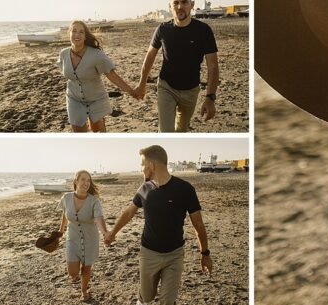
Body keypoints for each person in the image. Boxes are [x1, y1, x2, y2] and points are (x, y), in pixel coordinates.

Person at [104, 145, 213, 305]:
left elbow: (199, 225)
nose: (141, 169)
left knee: (167, 301)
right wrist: (112, 233)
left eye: (142, 164)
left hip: (174, 255)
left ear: (151, 165)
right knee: (147, 297)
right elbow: (129, 213)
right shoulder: (145, 189)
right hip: (148, 254)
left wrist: (205, 254)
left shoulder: (185, 189)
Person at [136, 0, 219, 132]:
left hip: (191, 90)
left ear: (192, 4)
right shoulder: (163, 29)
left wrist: (210, 97)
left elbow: (213, 66)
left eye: (184, 2)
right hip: (166, 87)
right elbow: (150, 56)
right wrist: (142, 84)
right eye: (175, 3)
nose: (180, 7)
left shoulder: (203, 31)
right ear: (170, 6)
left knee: (182, 130)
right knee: (166, 132)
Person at [57, 20, 139, 132]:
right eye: (74, 31)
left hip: (96, 99)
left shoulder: (96, 55)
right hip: (74, 99)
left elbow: (112, 75)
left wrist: (131, 91)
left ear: (85, 36)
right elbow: (66, 72)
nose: (77, 35)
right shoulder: (63, 54)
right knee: (78, 132)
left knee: (98, 131)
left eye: (81, 32)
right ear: (69, 33)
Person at [58, 170, 109, 301]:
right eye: (83, 179)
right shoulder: (66, 198)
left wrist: (105, 233)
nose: (86, 183)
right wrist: (60, 231)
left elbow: (99, 218)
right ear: (76, 181)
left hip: (90, 240)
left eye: (88, 180)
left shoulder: (94, 201)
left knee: (86, 269)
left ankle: (84, 291)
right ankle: (76, 275)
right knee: (73, 272)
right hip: (72, 239)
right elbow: (65, 214)